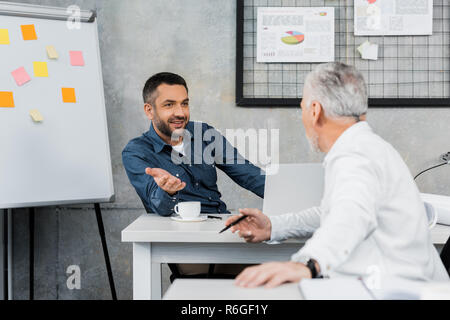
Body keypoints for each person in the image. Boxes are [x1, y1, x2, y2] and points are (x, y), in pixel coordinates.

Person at [225, 62, 450, 288]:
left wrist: (307, 265)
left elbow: (349, 217)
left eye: (302, 107)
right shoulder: (365, 147)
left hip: (404, 290)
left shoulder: (355, 156)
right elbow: (334, 213)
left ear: (315, 111)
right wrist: (274, 226)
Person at [122, 72, 265, 278]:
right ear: (149, 110)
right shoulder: (136, 152)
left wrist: (289, 195)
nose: (180, 112)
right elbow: (158, 206)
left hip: (223, 233)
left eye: (184, 103)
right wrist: (166, 190)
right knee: (260, 275)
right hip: (184, 244)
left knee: (287, 261)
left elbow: (248, 174)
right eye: (169, 105)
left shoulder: (204, 134)